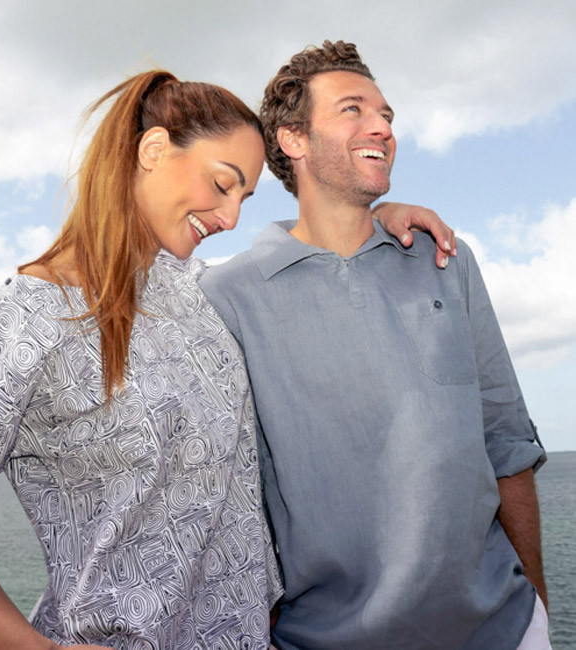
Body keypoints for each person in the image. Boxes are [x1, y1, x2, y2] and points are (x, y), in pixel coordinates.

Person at [0, 69, 453, 650]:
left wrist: (375, 220)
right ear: (154, 150)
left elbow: (297, 270)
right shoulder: (31, 316)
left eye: (244, 196)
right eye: (221, 183)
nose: (231, 216)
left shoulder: (194, 290)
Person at [200, 41, 550, 650]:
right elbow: (236, 496)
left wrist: (539, 608)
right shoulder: (227, 297)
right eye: (353, 110)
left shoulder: (444, 257)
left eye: (387, 115)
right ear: (294, 140)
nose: (382, 127)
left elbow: (507, 442)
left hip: (507, 630)